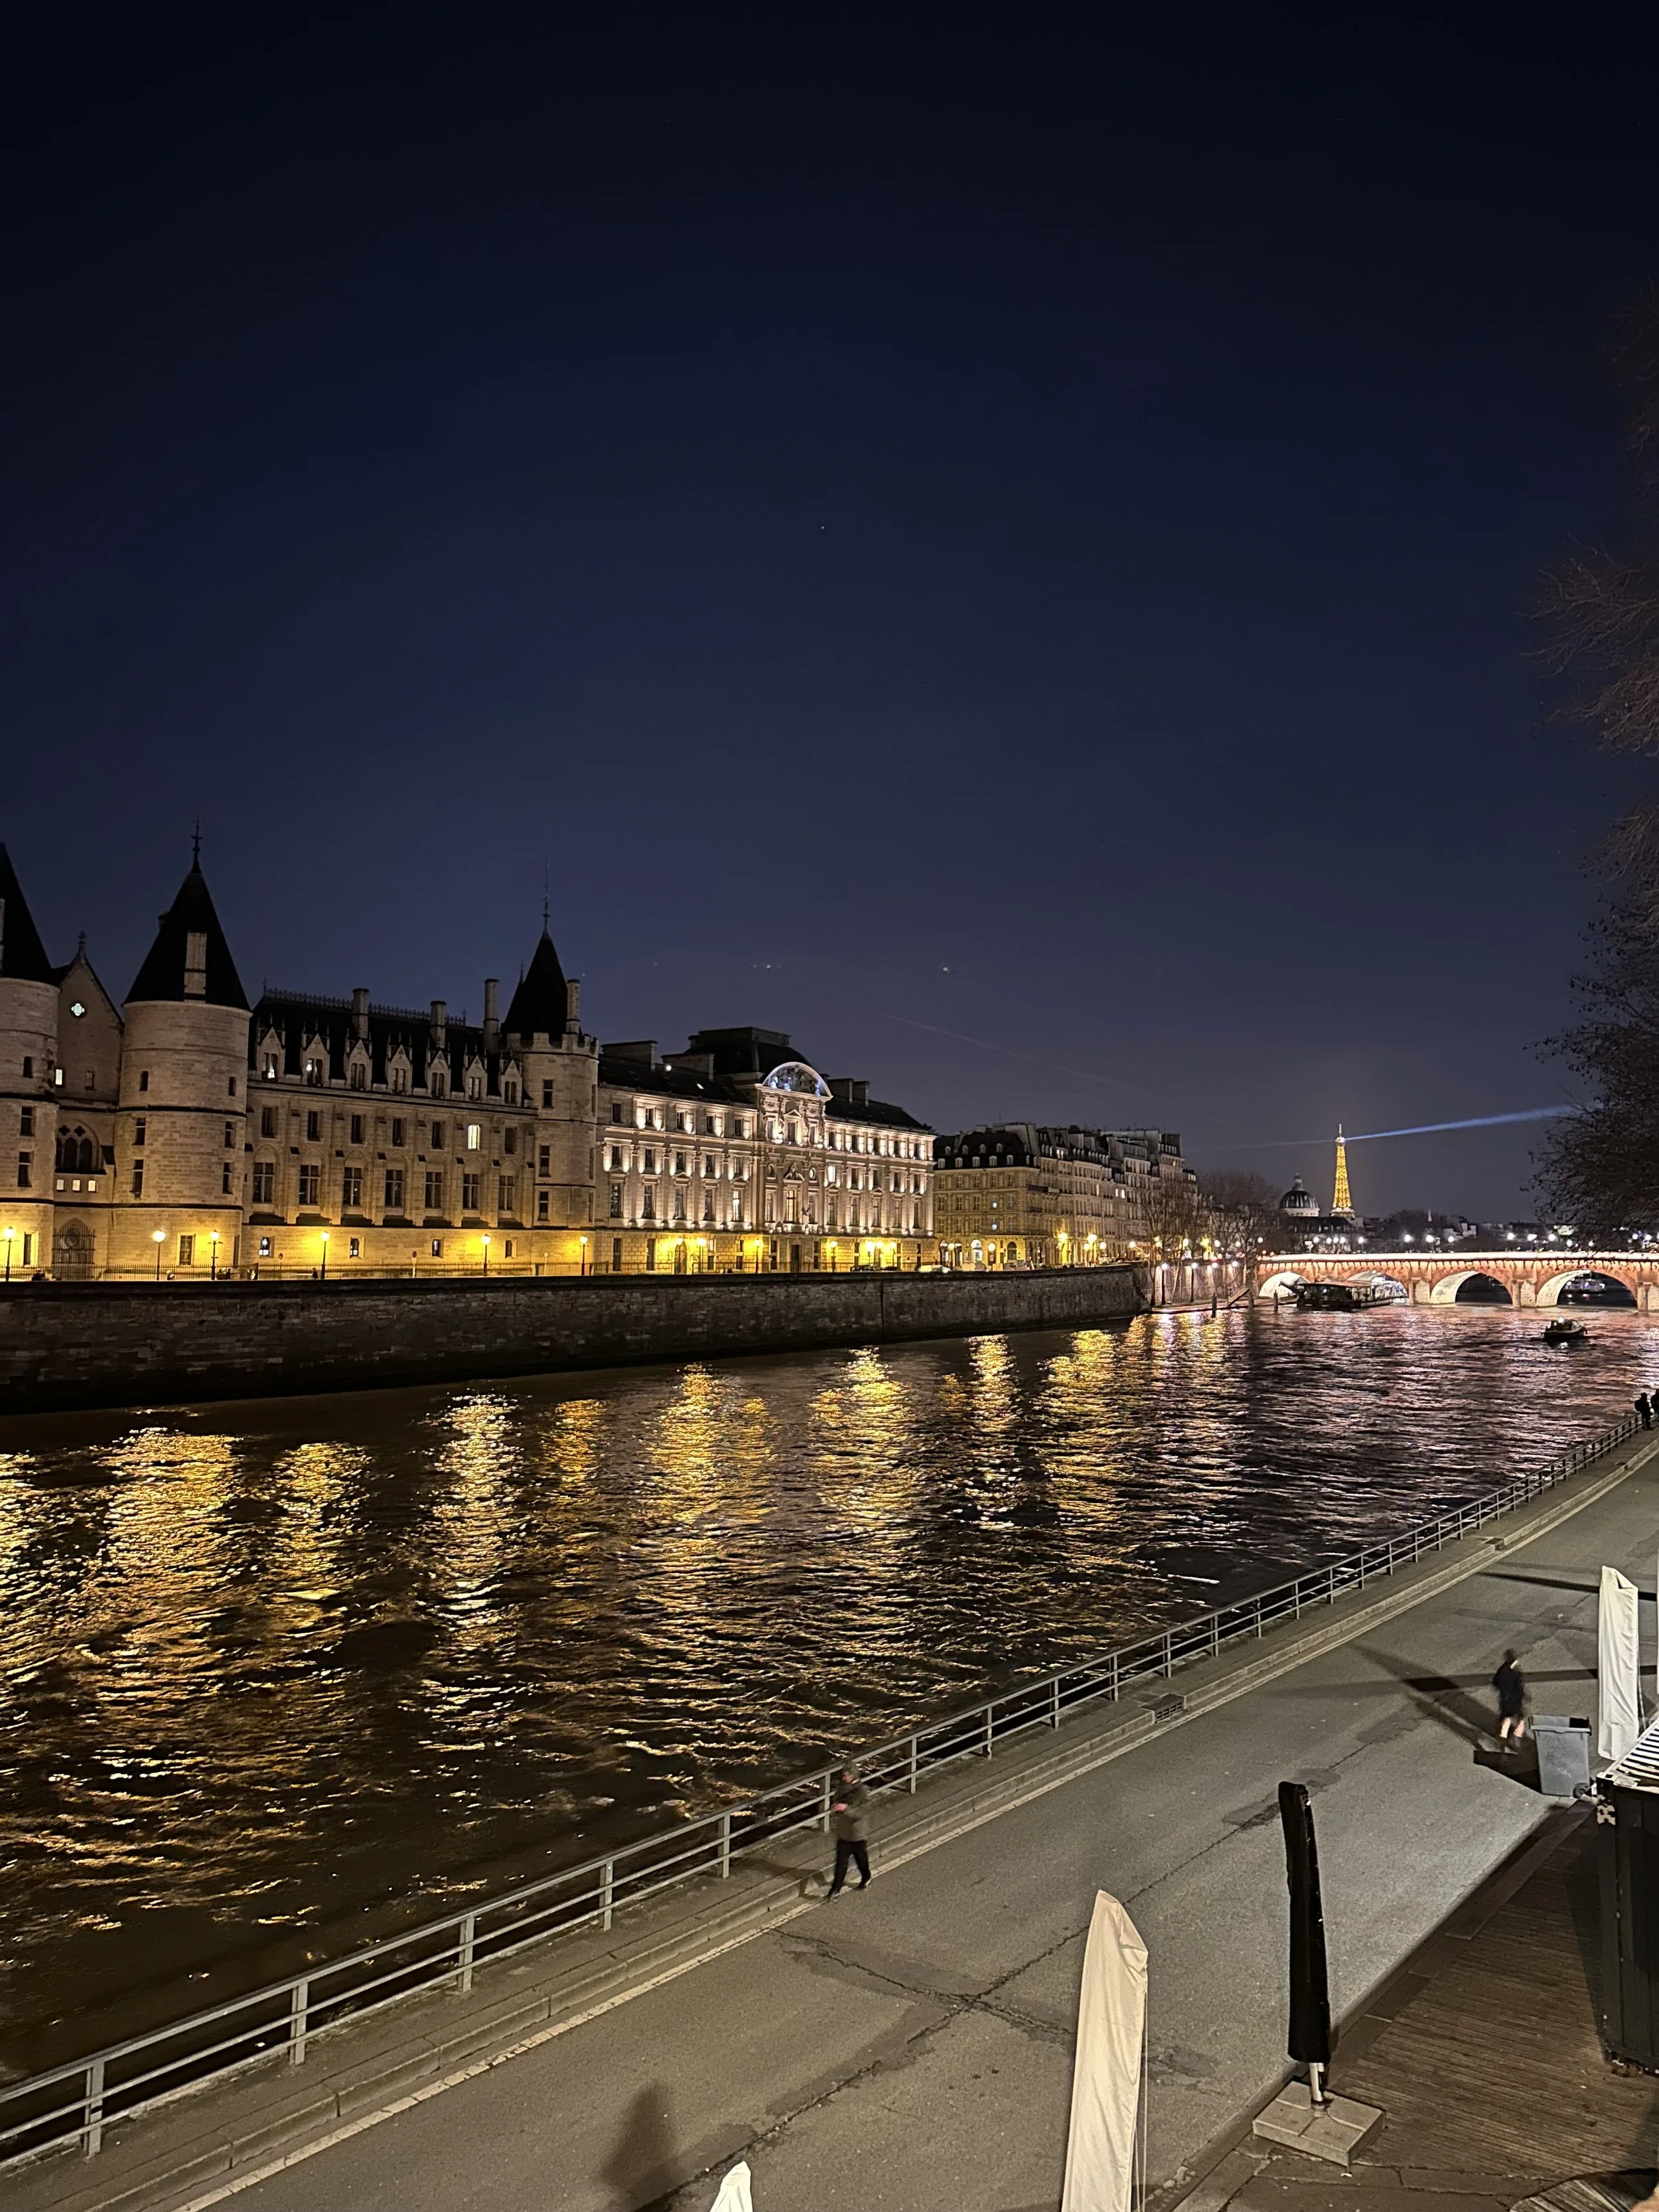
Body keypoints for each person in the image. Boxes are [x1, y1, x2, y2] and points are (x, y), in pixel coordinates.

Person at [825, 1767, 871, 1896]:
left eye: (847, 1775)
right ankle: (836, 1889)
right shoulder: (841, 1788)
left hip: (857, 1835)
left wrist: (846, 1809)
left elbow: (862, 1812)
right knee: (841, 1864)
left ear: (854, 1775)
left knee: (861, 1860)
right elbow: (836, 1801)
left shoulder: (862, 1792)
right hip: (844, 1833)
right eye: (844, 1775)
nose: (845, 1778)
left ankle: (866, 1876)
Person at [1493, 1650, 1528, 1750]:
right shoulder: (1513, 1673)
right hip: (1513, 1701)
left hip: (1506, 1701)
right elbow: (1519, 1686)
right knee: (1517, 1719)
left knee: (1507, 1720)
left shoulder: (1503, 1671)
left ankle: (1503, 1743)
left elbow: (1495, 1682)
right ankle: (1514, 1739)